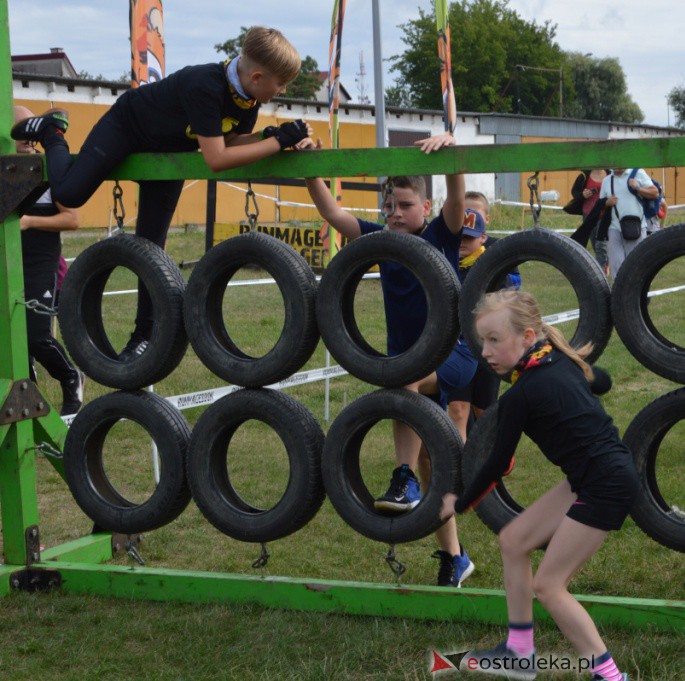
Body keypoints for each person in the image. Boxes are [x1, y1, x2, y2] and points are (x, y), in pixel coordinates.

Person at [10, 27, 313, 360]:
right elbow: (216, 159)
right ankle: (53, 131)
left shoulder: (248, 99)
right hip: (128, 127)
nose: (282, 91)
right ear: (256, 76)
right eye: (281, 84)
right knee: (67, 195)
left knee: (151, 251)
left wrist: (268, 136)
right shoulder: (206, 85)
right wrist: (276, 142)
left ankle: (142, 337)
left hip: (169, 155)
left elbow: (228, 140)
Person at [303, 134, 476, 587]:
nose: (395, 213)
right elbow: (332, 214)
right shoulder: (380, 240)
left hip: (453, 355)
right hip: (410, 362)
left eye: (404, 204)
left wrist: (452, 152)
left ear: (425, 205)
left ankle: (402, 477)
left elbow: (457, 195)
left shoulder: (442, 233)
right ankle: (454, 558)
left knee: (405, 381)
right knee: (432, 463)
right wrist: (309, 171)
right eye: (389, 205)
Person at [440, 289, 637, 681]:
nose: (485, 352)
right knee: (513, 541)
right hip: (591, 476)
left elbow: (495, 464)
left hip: (605, 484)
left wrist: (458, 503)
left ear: (528, 337)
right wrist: (577, 369)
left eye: (495, 340)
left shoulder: (521, 396)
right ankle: (519, 651)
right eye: (482, 341)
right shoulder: (558, 363)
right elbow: (605, 381)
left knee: (549, 586)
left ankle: (612, 677)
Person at [14, 106, 84, 416]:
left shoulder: (50, 171)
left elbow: (72, 219)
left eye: (32, 132)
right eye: (21, 131)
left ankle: (71, 377)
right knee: (13, 337)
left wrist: (29, 222)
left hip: (41, 262)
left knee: (37, 335)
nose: (28, 139)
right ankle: (27, 392)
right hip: (10, 264)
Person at [447, 192, 521, 442]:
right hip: (454, 346)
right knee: (457, 410)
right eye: (458, 237)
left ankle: (490, 465)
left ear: (483, 236)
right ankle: (460, 472)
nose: (462, 243)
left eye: (468, 238)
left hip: (486, 346)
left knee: (484, 410)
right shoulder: (443, 262)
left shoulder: (498, 259)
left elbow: (512, 294)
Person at [599, 167, 658, 279]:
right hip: (614, 228)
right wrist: (606, 202)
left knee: (636, 265)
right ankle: (618, 294)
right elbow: (600, 205)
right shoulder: (607, 180)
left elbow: (655, 193)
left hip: (636, 227)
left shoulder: (638, 173)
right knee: (617, 265)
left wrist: (638, 188)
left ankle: (637, 292)